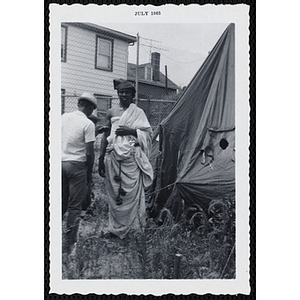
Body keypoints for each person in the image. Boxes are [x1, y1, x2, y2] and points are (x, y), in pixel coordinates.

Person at [98, 80, 153, 239]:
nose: (123, 95)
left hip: (131, 158)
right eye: (121, 92)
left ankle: (134, 228)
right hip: (113, 157)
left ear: (132, 95)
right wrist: (100, 158)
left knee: (132, 193)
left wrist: (131, 131)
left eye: (127, 92)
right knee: (115, 194)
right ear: (117, 94)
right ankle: (114, 228)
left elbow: (148, 135)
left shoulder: (138, 112)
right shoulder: (111, 112)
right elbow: (105, 136)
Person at [61, 92, 97, 253]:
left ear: (78, 104)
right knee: (75, 206)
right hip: (77, 166)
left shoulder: (63, 117)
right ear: (89, 107)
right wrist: (89, 174)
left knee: (59, 203)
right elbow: (89, 153)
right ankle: (70, 245)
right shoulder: (88, 124)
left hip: (60, 162)